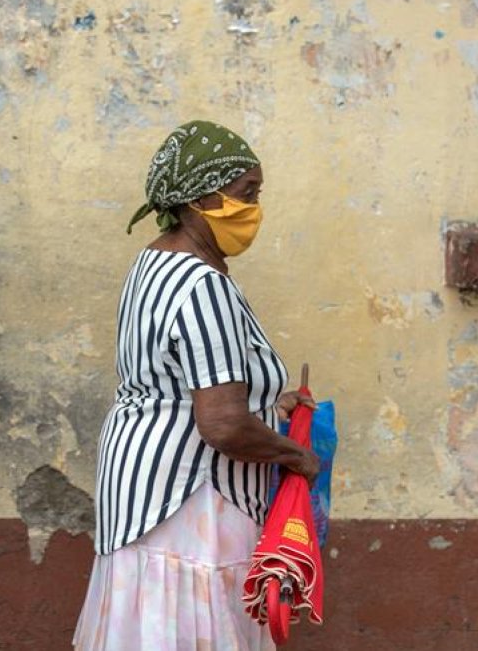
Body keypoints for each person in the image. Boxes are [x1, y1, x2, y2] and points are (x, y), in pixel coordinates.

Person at [74, 120, 320, 650]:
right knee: (195, 629)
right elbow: (224, 424)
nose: (255, 209)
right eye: (245, 194)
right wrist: (295, 454)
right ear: (199, 198)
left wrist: (270, 401)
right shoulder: (201, 283)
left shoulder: (154, 264)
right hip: (192, 499)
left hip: (143, 493)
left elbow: (180, 377)